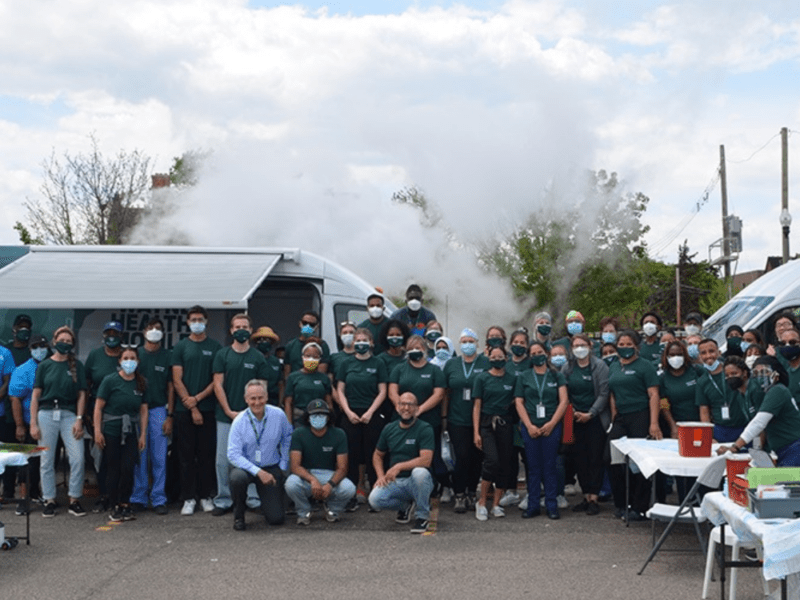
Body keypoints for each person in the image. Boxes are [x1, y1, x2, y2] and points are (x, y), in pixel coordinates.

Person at [211, 314, 270, 516]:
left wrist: (254, 412)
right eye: (237, 327)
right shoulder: (223, 354)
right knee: (223, 460)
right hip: (225, 416)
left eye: (245, 326)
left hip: (252, 418)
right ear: (231, 330)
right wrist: (228, 411)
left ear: (251, 330)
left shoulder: (257, 358)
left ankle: (252, 499)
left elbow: (262, 388)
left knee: (253, 458)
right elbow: (218, 384)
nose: (241, 330)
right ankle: (224, 499)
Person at [29, 326, 87, 517]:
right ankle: (49, 499)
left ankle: (74, 499)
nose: (65, 344)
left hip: (69, 414)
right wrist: (33, 423)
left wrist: (79, 419)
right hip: (46, 414)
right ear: (54, 342)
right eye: (62, 340)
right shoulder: (45, 366)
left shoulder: (77, 365)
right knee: (46, 460)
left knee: (77, 457)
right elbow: (36, 396)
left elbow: (81, 395)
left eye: (69, 342)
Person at [606, 330, 661, 522]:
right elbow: (612, 392)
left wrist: (653, 423)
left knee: (639, 465)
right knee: (614, 460)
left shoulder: (645, 366)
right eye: (621, 344)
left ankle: (640, 507)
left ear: (637, 346)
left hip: (641, 416)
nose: (624, 348)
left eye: (629, 344)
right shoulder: (614, 366)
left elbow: (654, 395)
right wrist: (614, 416)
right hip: (621, 418)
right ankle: (621, 504)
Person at [171, 305, 221, 516]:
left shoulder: (215, 347)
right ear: (187, 322)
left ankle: (205, 496)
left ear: (206, 321)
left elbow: (216, 380)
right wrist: (190, 404)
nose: (197, 322)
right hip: (184, 411)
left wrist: (197, 400)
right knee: (186, 456)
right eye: (193, 319)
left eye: (200, 319)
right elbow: (176, 378)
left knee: (206, 455)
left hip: (208, 408)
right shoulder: (181, 347)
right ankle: (188, 498)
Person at [227, 379, 293, 531]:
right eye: (253, 398)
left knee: (276, 519)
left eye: (260, 398)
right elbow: (233, 454)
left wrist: (283, 464)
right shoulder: (239, 421)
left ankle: (268, 505)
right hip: (246, 468)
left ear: (267, 397)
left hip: (271, 466)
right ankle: (239, 515)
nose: (257, 402)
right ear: (246, 399)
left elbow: (287, 437)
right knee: (237, 478)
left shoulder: (278, 414)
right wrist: (258, 472)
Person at [93, 347, 149, 522]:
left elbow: (144, 410)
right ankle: (114, 504)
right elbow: (98, 407)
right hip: (111, 429)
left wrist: (143, 435)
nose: (129, 361)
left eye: (132, 358)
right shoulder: (110, 381)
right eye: (126, 358)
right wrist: (97, 431)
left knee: (128, 467)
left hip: (131, 430)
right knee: (113, 468)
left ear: (138, 361)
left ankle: (126, 502)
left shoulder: (141, 382)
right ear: (120, 361)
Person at [515, 341, 568, 519]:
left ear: (546, 353)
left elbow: (564, 401)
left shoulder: (556, 376)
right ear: (530, 357)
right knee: (533, 467)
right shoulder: (524, 376)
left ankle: (552, 505)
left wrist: (552, 423)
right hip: (530, 428)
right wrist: (529, 425)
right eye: (534, 353)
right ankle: (533, 505)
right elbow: (519, 402)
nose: (537, 355)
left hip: (551, 427)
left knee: (550, 466)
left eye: (540, 352)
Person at [368, 392, 435, 534]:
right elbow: (378, 455)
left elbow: (426, 459)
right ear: (397, 408)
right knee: (374, 499)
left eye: (410, 404)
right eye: (402, 404)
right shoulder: (389, 429)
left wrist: (399, 466)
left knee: (420, 472)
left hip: (415, 481)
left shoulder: (425, 428)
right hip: (396, 481)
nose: (406, 408)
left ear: (417, 408)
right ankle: (404, 506)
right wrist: (380, 476)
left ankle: (422, 516)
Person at [336, 328, 388, 506]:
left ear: (371, 343)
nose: (360, 343)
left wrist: (370, 412)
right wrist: (348, 412)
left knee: (372, 453)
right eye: (357, 340)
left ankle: (375, 492)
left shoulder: (378, 363)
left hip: (371, 414)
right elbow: (340, 390)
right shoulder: (346, 363)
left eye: (364, 340)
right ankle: (351, 493)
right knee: (351, 455)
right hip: (350, 415)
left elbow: (383, 391)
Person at [718, 356, 800, 466]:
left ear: (776, 374)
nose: (761, 376)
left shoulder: (777, 390)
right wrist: (757, 453)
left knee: (785, 482)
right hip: (781, 449)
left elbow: (759, 423)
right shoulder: (765, 392)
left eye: (765, 372)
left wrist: (736, 447)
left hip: (793, 448)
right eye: (756, 373)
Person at [388, 334, 446, 488]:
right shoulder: (399, 369)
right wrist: (401, 407)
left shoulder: (434, 370)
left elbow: (439, 394)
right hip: (403, 420)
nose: (414, 351)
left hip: (428, 420)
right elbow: (392, 391)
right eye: (411, 348)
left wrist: (419, 409)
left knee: (429, 457)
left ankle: (433, 487)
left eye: (418, 348)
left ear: (425, 350)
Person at [285, 399, 356, 524]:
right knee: (291, 484)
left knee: (349, 488)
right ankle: (304, 511)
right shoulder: (298, 434)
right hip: (306, 475)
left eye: (322, 415)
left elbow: (343, 468)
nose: (318, 418)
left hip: (329, 474)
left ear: (328, 418)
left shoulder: (339, 434)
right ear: (308, 418)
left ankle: (333, 509)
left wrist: (330, 484)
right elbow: (295, 466)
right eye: (314, 415)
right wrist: (312, 480)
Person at [443, 328, 490, 513]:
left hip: (481, 419)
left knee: (477, 458)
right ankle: (459, 494)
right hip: (457, 418)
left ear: (477, 343)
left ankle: (472, 492)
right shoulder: (451, 364)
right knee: (461, 457)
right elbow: (445, 394)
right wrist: (444, 418)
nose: (467, 345)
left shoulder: (485, 362)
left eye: (471, 341)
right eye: (464, 341)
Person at [130, 319, 173, 515]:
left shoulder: (167, 356)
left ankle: (158, 498)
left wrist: (169, 415)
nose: (154, 332)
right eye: (150, 328)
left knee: (159, 457)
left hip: (158, 410)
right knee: (139, 456)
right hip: (137, 410)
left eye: (158, 329)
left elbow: (171, 387)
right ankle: (138, 497)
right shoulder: (135, 354)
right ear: (143, 331)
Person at [563, 334, 609, 516]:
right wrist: (573, 413)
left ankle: (594, 498)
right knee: (579, 459)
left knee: (595, 459)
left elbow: (604, 393)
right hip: (574, 419)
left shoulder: (600, 366)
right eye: (576, 345)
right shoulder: (568, 368)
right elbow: (563, 392)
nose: (579, 348)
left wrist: (591, 413)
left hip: (595, 419)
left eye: (583, 345)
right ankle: (585, 494)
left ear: (590, 346)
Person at [84, 320, 125, 513]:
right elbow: (87, 386)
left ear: (121, 336)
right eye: (108, 333)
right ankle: (103, 495)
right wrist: (86, 414)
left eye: (115, 333)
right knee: (100, 456)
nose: (111, 337)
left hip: (121, 415)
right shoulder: (94, 356)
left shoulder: (126, 356)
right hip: (98, 413)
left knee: (118, 458)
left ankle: (118, 496)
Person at [472, 345, 516, 520]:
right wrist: (476, 432)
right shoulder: (481, 378)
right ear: (489, 358)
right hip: (487, 423)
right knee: (492, 461)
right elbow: (476, 406)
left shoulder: (512, 379)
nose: (497, 359)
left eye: (500, 357)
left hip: (505, 423)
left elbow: (516, 401)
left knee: (505, 463)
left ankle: (496, 504)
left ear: (506, 358)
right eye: (494, 357)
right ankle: (481, 501)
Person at [7, 334, 48, 514]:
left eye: (43, 346)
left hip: (49, 422)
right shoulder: (23, 370)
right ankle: (23, 498)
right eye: (36, 346)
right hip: (28, 421)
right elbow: (15, 399)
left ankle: (36, 492)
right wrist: (19, 425)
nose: (40, 349)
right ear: (30, 349)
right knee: (26, 460)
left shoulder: (53, 366)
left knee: (43, 461)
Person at [658, 340, 701, 502]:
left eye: (679, 354)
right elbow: (664, 404)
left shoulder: (696, 371)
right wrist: (673, 426)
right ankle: (684, 500)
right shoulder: (663, 378)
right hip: (677, 425)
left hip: (698, 424)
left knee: (697, 464)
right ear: (666, 357)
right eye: (672, 355)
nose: (675, 358)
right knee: (681, 465)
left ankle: (698, 500)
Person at [695, 338, 748, 443]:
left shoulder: (732, 371)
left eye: (711, 351)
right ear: (700, 357)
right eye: (703, 353)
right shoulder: (702, 381)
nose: (708, 356)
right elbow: (704, 411)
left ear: (719, 352)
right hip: (720, 430)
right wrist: (708, 437)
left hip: (744, 427)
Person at [284, 341, 333, 427]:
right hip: (299, 418)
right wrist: (288, 423)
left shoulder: (324, 378)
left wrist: (329, 422)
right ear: (302, 357)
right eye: (308, 356)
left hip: (319, 418)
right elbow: (288, 402)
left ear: (320, 359)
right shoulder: (293, 377)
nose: (311, 359)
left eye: (315, 356)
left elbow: (329, 403)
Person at [283, 310, 331, 376]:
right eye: (305, 323)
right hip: (295, 383)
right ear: (300, 323)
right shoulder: (291, 345)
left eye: (311, 324)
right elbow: (287, 373)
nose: (307, 326)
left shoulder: (322, 345)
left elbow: (321, 373)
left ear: (316, 327)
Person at [251, 326, 283, 406]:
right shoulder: (251, 358)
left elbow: (280, 383)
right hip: (255, 399)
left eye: (268, 340)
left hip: (273, 400)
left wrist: (280, 403)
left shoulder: (275, 361)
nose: (264, 342)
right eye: (261, 340)